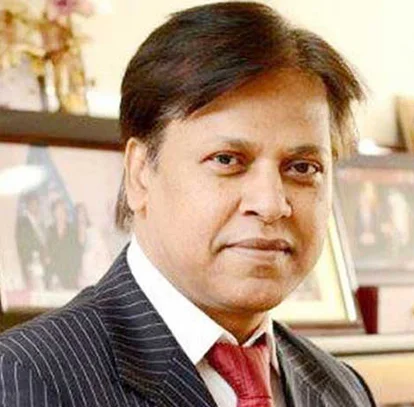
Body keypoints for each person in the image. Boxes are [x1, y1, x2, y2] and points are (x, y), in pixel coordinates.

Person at [0, 2, 375, 406]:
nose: (270, 204)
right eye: (227, 160)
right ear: (140, 172)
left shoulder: (343, 388)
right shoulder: (25, 377)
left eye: (302, 167)